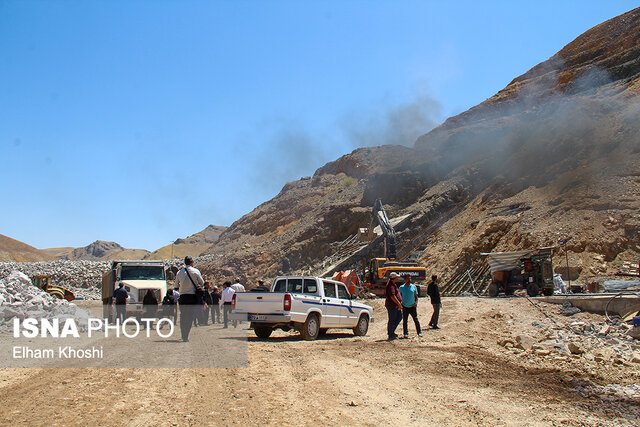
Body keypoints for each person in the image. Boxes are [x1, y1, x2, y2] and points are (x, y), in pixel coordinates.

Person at [174, 256, 205, 342]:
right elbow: (202, 283)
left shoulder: (179, 272)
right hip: (192, 296)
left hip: (183, 297)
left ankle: (183, 334)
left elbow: (176, 285)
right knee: (190, 316)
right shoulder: (196, 271)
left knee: (183, 316)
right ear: (192, 262)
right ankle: (186, 335)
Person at [384, 272, 403, 340]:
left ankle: (392, 331)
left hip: (394, 305)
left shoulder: (393, 284)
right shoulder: (390, 285)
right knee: (392, 319)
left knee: (398, 317)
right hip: (392, 305)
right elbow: (392, 296)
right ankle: (391, 334)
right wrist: (399, 304)